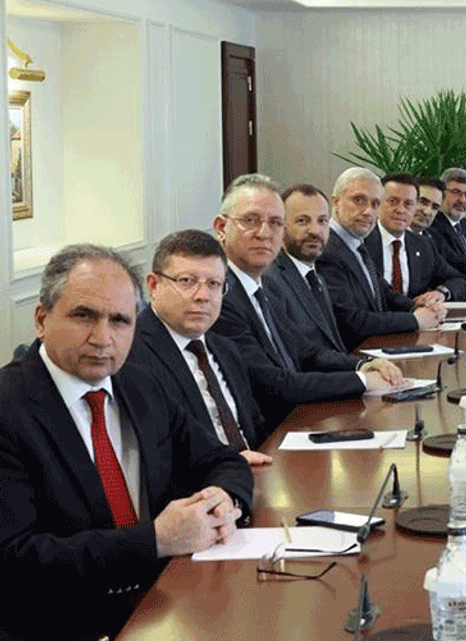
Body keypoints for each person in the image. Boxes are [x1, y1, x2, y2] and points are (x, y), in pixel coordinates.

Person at [0, 244, 252, 641]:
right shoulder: (8, 408)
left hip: (167, 603)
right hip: (65, 624)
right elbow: (14, 561)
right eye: (84, 316)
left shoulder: (140, 383)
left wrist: (224, 498)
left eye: (120, 320)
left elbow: (222, 460)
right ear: (41, 319)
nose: (103, 338)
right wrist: (156, 540)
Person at [209, 174, 404, 427]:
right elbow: (274, 385)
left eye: (275, 223)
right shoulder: (219, 296)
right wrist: (363, 382)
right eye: (251, 220)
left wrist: (363, 366)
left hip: (298, 419)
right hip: (269, 433)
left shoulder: (265, 286)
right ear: (221, 228)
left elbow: (305, 351)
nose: (264, 233)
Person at [129, 230, 272, 466]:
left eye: (214, 284)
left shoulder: (226, 349)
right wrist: (229, 465)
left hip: (256, 473)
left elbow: (257, 430)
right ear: (153, 285)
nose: (203, 296)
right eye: (187, 281)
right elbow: (158, 456)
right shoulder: (132, 353)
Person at [316, 168, 447, 350]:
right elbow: (349, 320)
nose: (368, 212)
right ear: (336, 202)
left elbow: (381, 291)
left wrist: (418, 305)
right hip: (352, 355)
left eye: (375, 204)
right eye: (359, 200)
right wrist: (415, 320)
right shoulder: (326, 250)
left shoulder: (355, 242)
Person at [263, 184, 353, 354]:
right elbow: (301, 355)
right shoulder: (271, 280)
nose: (315, 231)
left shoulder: (317, 278)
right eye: (302, 221)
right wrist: (358, 367)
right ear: (281, 226)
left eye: (322, 221)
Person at [362, 172, 466, 301]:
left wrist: (441, 293)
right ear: (377, 203)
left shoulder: (422, 245)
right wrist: (415, 308)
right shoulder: (361, 241)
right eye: (393, 201)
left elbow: (458, 280)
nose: (401, 210)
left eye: (408, 204)